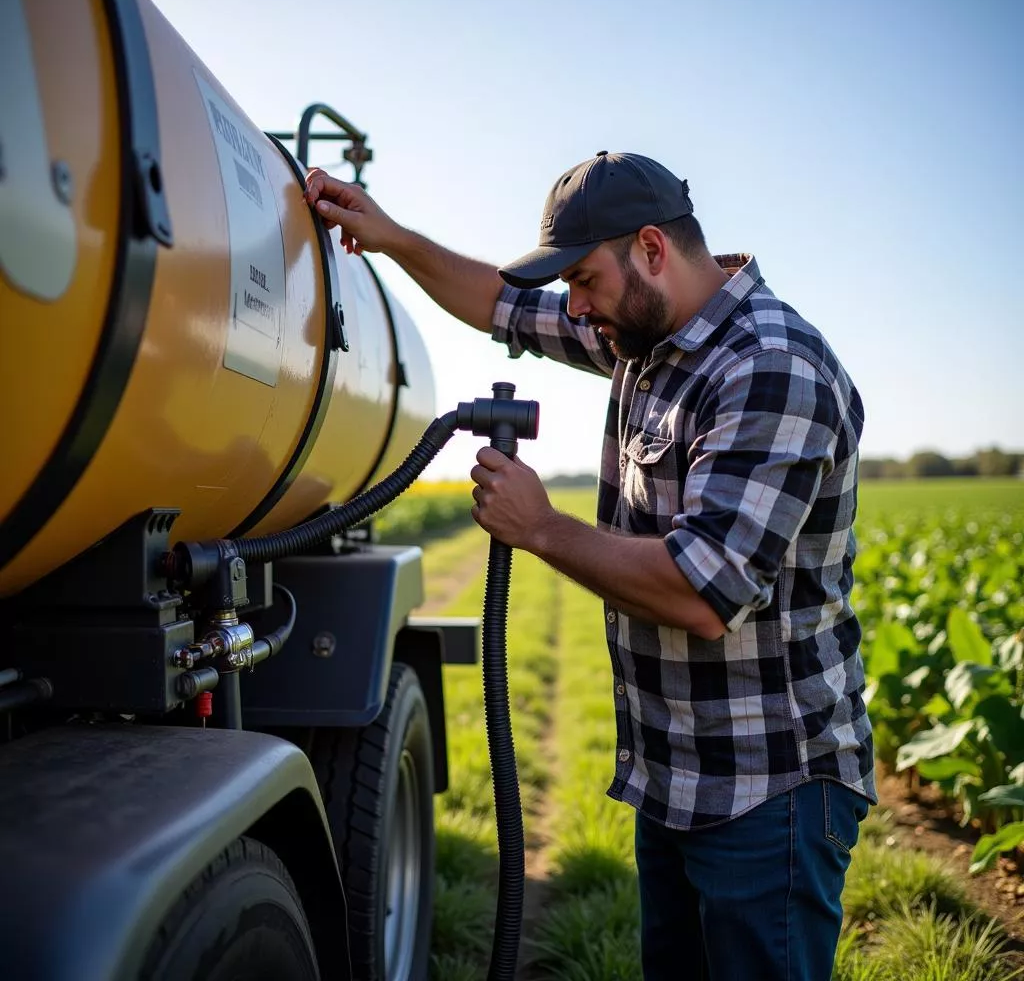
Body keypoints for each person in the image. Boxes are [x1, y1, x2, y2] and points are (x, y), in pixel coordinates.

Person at [304, 151, 877, 981]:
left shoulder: (769, 366)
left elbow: (702, 591)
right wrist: (391, 238)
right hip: (678, 774)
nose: (573, 307)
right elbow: (500, 304)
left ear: (651, 249)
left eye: (582, 280)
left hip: (770, 791)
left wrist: (541, 527)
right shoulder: (646, 337)